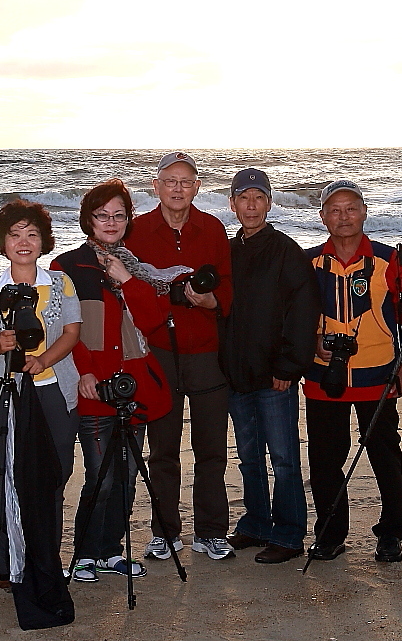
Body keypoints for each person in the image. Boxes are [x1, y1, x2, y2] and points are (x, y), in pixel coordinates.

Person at [0, 199, 80, 629]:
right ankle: (7, 564)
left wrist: (43, 359)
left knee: (55, 474)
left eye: (32, 234)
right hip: (6, 392)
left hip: (53, 391)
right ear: (3, 242)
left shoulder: (61, 283)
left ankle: (46, 559)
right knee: (8, 477)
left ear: (44, 240)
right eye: (15, 234)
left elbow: (72, 332)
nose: (24, 242)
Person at [53, 178, 172, 584]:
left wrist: (128, 280)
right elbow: (63, 329)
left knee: (128, 475)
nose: (110, 222)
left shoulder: (136, 268)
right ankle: (85, 554)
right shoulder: (67, 267)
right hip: (94, 389)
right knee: (100, 476)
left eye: (119, 216)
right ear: (88, 219)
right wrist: (84, 370)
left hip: (133, 387)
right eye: (102, 215)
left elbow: (154, 322)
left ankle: (110, 552)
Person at [123, 152, 235, 562]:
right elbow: (125, 288)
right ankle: (165, 532)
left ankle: (211, 532)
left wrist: (211, 301)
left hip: (207, 353)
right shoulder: (136, 230)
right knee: (163, 451)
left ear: (197, 187)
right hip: (159, 353)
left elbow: (228, 285)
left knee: (212, 450)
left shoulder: (213, 228)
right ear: (156, 186)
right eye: (170, 181)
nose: (177, 188)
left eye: (186, 182)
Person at [303, 180, 402, 563]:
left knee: (385, 457)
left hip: (378, 375)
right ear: (323, 217)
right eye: (335, 210)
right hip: (324, 377)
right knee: (324, 461)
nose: (344, 217)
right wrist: (312, 343)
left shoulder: (388, 259)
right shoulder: (309, 262)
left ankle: (392, 534)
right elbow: (295, 318)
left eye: (351, 208)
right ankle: (330, 535)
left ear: (364, 212)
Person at [218, 168, 318, 564]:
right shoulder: (227, 251)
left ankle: (290, 534)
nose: (251, 205)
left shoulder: (286, 251)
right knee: (249, 458)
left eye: (259, 197)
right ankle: (257, 523)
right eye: (244, 198)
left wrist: (289, 367)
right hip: (236, 374)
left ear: (269, 203)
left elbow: (304, 312)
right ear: (233, 204)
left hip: (276, 376)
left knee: (284, 458)